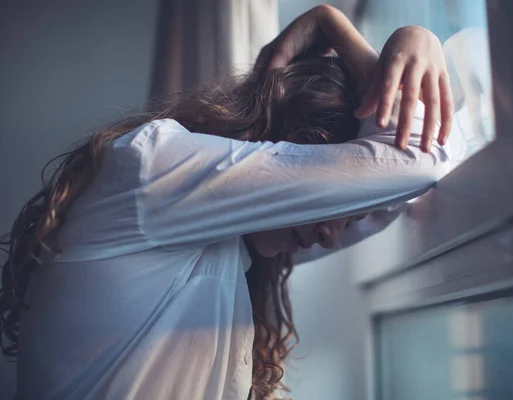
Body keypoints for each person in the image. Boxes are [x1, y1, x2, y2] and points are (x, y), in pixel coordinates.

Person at [0, 5, 453, 400]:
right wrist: (348, 29)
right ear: (280, 148)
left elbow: (392, 194)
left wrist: (406, 41)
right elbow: (415, 163)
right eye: (330, 204)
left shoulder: (223, 231)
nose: (331, 234)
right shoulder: (155, 168)